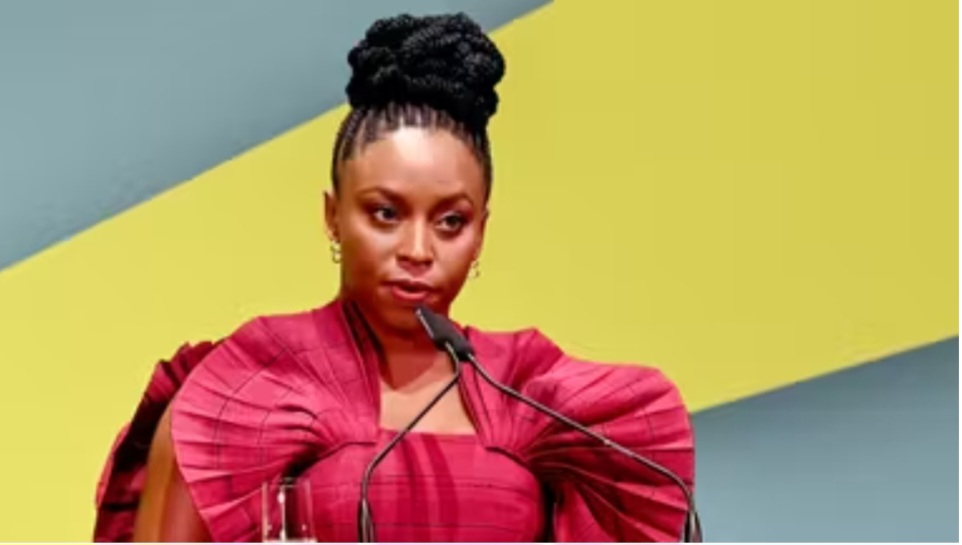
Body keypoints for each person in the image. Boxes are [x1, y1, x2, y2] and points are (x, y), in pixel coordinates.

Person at [93, 12, 695, 543]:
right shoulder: (237, 393)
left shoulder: (534, 396)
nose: (417, 250)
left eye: (451, 221)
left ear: (482, 231)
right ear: (333, 216)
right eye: (385, 213)